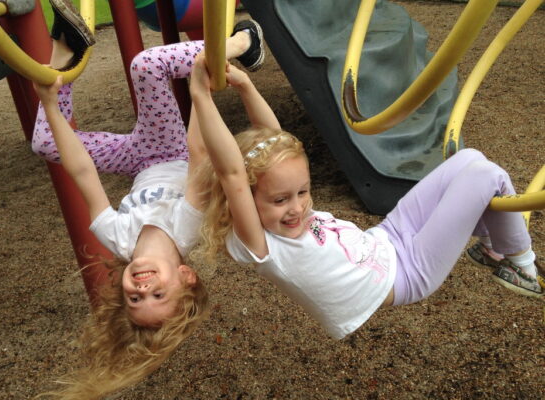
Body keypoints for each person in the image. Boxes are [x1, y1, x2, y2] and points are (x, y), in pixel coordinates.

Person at [189, 55, 543, 341]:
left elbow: (277, 140)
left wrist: (248, 86)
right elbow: (232, 173)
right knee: (487, 176)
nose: (296, 207)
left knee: (471, 159)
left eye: (302, 192)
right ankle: (522, 266)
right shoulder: (261, 244)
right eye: (280, 200)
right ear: (246, 201)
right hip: (407, 273)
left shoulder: (277, 204)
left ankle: (492, 246)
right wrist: (200, 97)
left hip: (387, 237)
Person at [32, 0, 265, 397]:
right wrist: (200, 90)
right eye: (158, 294)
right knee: (146, 66)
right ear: (186, 277)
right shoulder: (186, 229)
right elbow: (199, 155)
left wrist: (51, 106)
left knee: (45, 142)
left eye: (134, 297)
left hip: (139, 159)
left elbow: (83, 173)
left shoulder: (118, 238)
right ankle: (244, 41)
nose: (142, 287)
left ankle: (65, 50)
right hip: (172, 150)